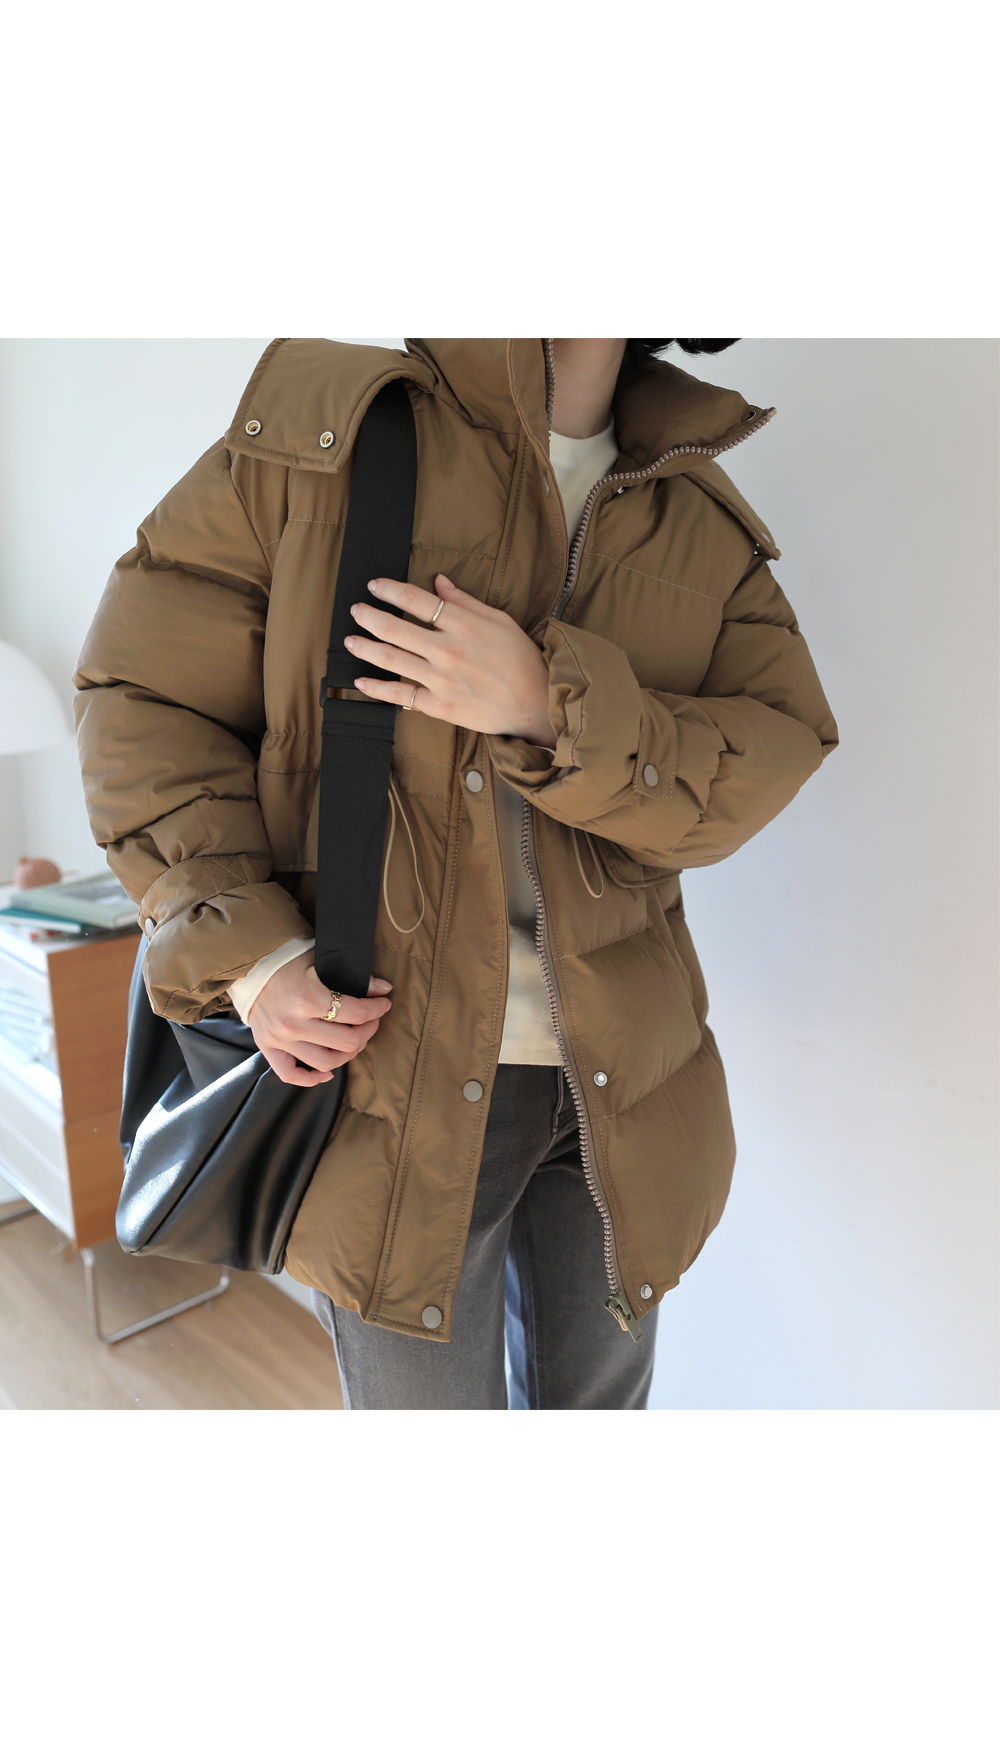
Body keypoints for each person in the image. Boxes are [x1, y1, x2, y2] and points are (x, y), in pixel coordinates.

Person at [75, 337, 838, 1410]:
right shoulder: (324, 437)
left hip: (622, 1078)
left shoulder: (691, 506)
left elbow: (775, 749)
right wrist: (250, 953)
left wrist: (548, 705)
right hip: (389, 1076)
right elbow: (142, 700)